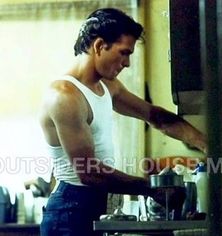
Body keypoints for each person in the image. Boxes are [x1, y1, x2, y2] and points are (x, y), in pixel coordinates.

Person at [39, 8, 207, 236]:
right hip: (69, 210)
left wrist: (208, 144)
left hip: (95, 203)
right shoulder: (65, 95)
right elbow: (89, 172)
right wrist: (152, 188)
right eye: (124, 53)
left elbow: (156, 117)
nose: (127, 63)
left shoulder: (107, 86)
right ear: (99, 46)